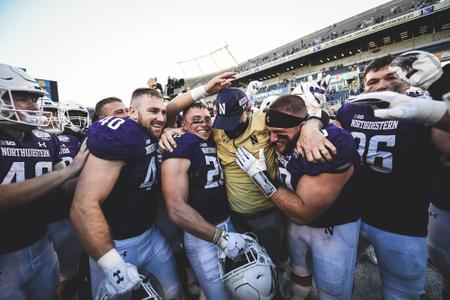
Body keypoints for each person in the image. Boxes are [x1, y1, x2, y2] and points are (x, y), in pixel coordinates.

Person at [71, 72, 236, 300]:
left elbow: (171, 108)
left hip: (151, 235)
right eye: (152, 111)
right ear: (131, 113)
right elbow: (82, 206)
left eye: (162, 112)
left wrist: (206, 89)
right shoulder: (122, 131)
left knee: (173, 293)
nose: (160, 117)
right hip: (114, 243)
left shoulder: (153, 132)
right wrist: (111, 265)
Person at [160, 87, 334, 266]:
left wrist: (310, 127)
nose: (229, 127)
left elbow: (312, 115)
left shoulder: (263, 121)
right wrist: (168, 130)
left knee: (269, 265)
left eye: (234, 120)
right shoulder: (216, 127)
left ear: (248, 110)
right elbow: (177, 116)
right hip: (235, 218)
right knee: (245, 268)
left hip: (267, 213)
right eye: (224, 121)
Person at [335, 54, 450, 299]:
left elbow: (446, 142)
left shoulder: (422, 110)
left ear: (407, 82)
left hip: (401, 223)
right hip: (354, 216)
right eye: (373, 81)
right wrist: (314, 121)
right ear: (364, 87)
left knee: (401, 294)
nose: (382, 85)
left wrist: (440, 92)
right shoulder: (349, 110)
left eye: (391, 77)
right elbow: (330, 129)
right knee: (337, 278)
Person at [236, 94, 361, 300]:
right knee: (299, 278)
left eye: (279, 133)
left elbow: (304, 213)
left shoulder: (330, 142)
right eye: (270, 133)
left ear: (301, 127)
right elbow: (312, 113)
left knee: (332, 291)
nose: (273, 139)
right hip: (295, 224)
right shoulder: (294, 130)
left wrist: (260, 178)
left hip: (331, 228)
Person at [0, 63, 88, 299]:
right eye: (23, 98)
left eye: (34, 98)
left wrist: (90, 167)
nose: (33, 105)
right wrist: (66, 173)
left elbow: (67, 186)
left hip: (40, 241)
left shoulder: (46, 139)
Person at [161, 102, 247, 299]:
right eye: (196, 120)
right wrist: (220, 237)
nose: (204, 124)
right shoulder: (181, 144)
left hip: (227, 223)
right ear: (185, 125)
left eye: (207, 119)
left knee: (239, 288)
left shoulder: (214, 138)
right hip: (201, 235)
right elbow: (176, 208)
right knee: (218, 295)